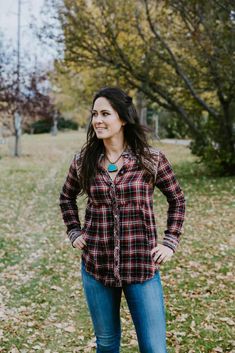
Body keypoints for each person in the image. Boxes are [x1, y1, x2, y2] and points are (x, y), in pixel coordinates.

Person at [59, 87, 185, 353]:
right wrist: (74, 231)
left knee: (153, 348)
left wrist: (170, 241)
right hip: (97, 267)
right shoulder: (84, 162)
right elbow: (66, 198)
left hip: (141, 267)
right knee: (106, 345)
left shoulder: (151, 159)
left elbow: (177, 200)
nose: (98, 120)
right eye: (94, 114)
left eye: (105, 113)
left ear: (123, 119)